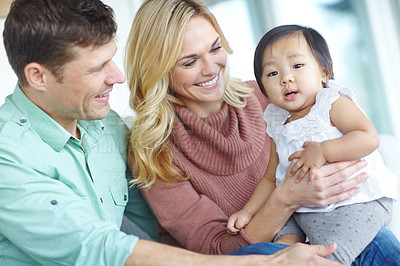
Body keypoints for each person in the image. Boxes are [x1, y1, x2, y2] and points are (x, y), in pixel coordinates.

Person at [0, 0, 352, 265]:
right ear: (38, 77)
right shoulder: (8, 155)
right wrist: (261, 259)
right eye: (97, 68)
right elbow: (100, 246)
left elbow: (155, 230)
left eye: (215, 48)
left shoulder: (105, 128)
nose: (118, 77)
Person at [124, 0, 400, 264]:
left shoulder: (273, 97)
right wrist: (288, 197)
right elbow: (218, 251)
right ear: (157, 71)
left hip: (314, 230)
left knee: (377, 241)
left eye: (215, 48)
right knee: (272, 254)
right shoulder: (153, 149)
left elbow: (348, 133)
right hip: (245, 258)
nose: (211, 69)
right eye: (189, 62)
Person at [227, 24, 398, 265]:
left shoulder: (331, 103)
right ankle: (289, 244)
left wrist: (323, 150)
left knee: (333, 252)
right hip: (308, 208)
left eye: (297, 66)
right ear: (263, 89)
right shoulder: (278, 124)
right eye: (273, 74)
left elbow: (368, 137)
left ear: (324, 72)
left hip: (357, 203)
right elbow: (269, 179)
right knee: (283, 230)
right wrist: (248, 211)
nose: (286, 78)